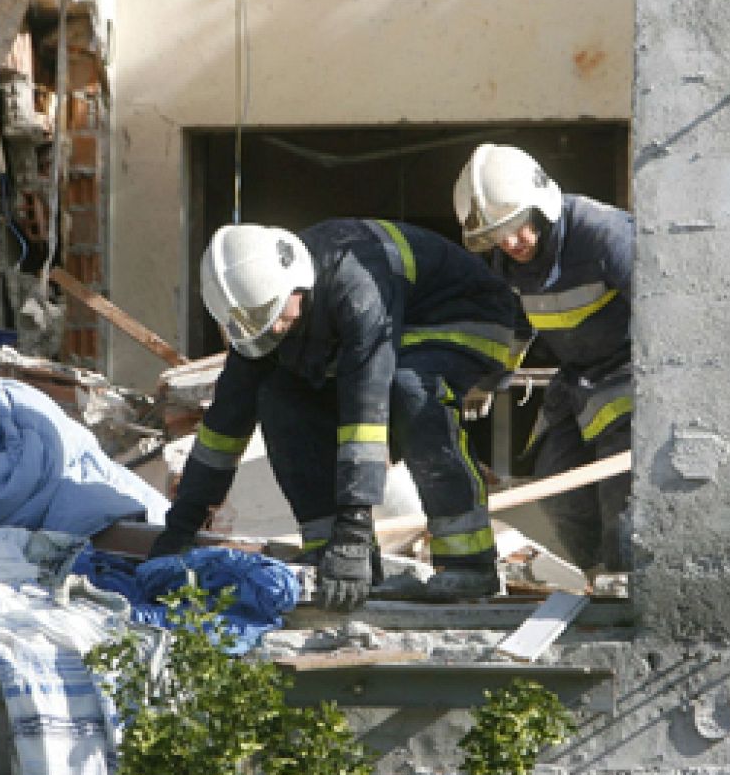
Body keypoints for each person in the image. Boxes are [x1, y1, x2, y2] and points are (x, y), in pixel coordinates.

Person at [151, 219, 531, 610]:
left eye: (274, 316)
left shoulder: (355, 282)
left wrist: (355, 527)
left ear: (294, 282)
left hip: (470, 319)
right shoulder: (265, 319)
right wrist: (180, 529)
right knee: (279, 395)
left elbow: (366, 407)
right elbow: (223, 428)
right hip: (398, 334)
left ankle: (468, 565)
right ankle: (328, 550)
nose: (272, 330)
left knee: (409, 389)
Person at [453, 143, 633, 573]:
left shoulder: (604, 236)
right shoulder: (506, 260)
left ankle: (626, 585)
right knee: (558, 489)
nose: (510, 243)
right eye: (496, 235)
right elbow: (516, 323)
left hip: (633, 377)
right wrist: (490, 381)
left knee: (622, 495)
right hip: (575, 383)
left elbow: (666, 314)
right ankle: (598, 580)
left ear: (541, 206)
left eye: (516, 226)